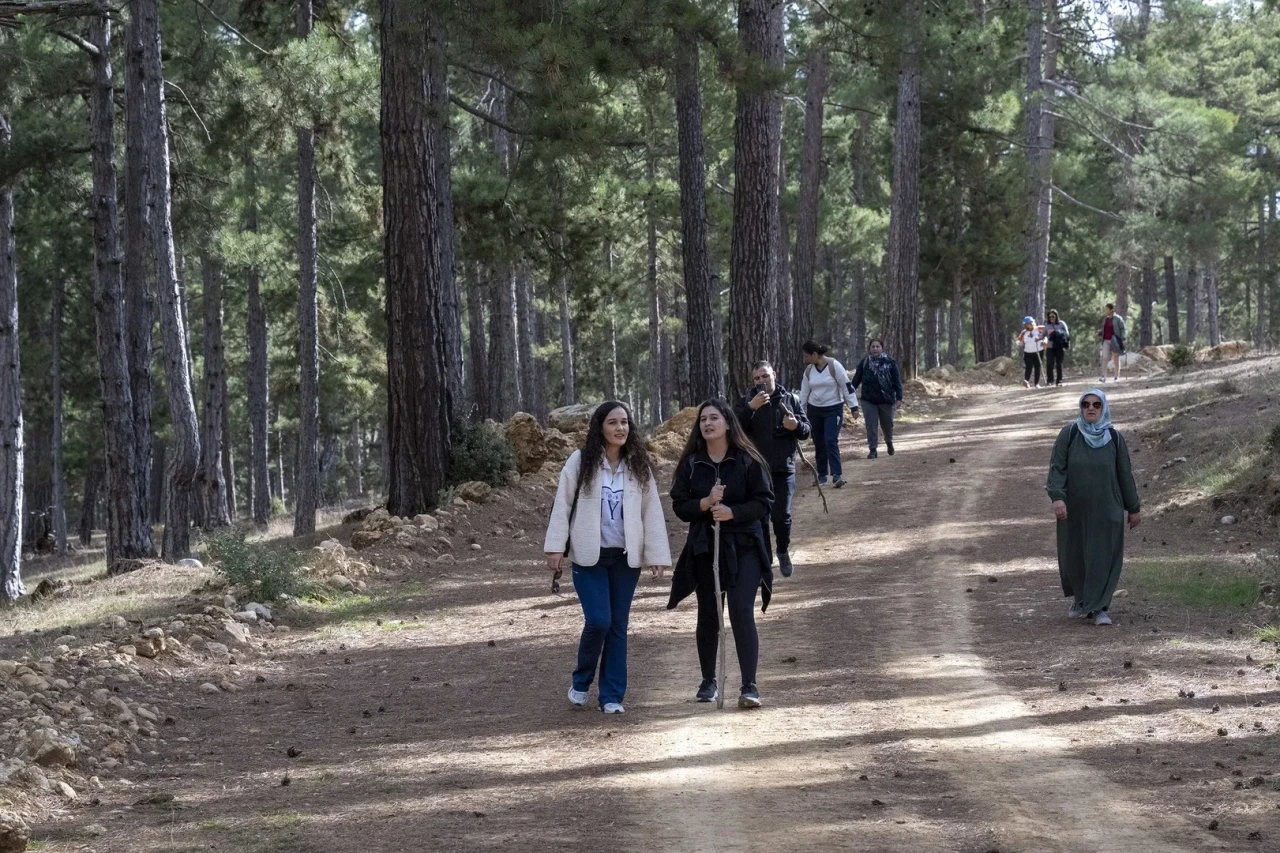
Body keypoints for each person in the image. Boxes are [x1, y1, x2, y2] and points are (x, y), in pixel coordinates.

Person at [544, 401, 671, 714]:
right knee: (599, 620)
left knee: (618, 625)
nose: (620, 428)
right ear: (600, 426)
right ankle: (582, 680)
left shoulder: (638, 464)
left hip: (624, 559)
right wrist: (555, 547)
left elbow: (651, 510)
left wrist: (656, 553)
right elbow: (562, 505)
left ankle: (612, 695)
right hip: (589, 558)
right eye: (613, 422)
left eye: (625, 422)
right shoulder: (580, 462)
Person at [668, 399, 774, 709]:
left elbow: (764, 502)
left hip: (744, 546)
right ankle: (708, 680)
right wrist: (704, 503)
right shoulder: (692, 464)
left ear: (728, 423)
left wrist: (733, 512)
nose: (707, 423)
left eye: (714, 418)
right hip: (705, 547)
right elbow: (679, 505)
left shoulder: (747, 460)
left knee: (741, 611)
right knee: (709, 614)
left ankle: (749, 685)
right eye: (703, 419)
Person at [1045, 389, 1141, 626]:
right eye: (1086, 404)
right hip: (1074, 509)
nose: (1091, 408)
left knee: (1103, 555)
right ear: (1080, 407)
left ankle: (1099, 608)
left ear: (1103, 408)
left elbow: (1124, 474)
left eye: (1096, 405)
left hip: (1108, 508)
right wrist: (1057, 497)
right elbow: (1057, 468)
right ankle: (1080, 599)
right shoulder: (1069, 434)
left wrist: (1133, 507)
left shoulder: (1115, 439)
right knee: (1075, 555)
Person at [734, 361, 810, 578]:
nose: (761, 381)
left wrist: (796, 426)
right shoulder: (745, 402)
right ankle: (765, 563)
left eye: (765, 376)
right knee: (760, 519)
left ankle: (783, 549)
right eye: (757, 378)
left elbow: (806, 431)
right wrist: (751, 408)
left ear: (774, 375)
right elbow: (733, 428)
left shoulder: (790, 400)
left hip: (783, 469)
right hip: (755, 472)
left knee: (782, 516)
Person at [798, 341, 860, 487]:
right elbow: (804, 392)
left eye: (807, 356)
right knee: (819, 442)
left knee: (830, 440)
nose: (805, 359)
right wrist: (800, 411)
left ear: (814, 354)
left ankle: (837, 475)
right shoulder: (809, 371)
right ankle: (822, 476)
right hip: (815, 410)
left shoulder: (834, 366)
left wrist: (853, 406)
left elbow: (846, 386)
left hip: (833, 409)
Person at [850, 339, 903, 459]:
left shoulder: (890, 362)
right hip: (868, 400)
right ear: (869, 349)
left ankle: (889, 442)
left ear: (882, 348)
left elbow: (897, 381)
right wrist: (849, 393)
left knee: (887, 424)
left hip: (886, 400)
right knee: (871, 425)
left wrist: (899, 397)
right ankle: (873, 449)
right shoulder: (864, 363)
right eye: (873, 346)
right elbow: (856, 380)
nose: (875, 349)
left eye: (877, 346)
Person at [1097, 303, 1126, 383]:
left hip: (1115, 340)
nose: (1105, 311)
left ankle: (1116, 376)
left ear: (1111, 310)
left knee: (1115, 358)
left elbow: (1123, 329)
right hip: (1106, 340)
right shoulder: (1105, 319)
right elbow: (1103, 330)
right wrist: (1099, 333)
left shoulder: (1118, 319)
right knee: (1104, 358)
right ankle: (1103, 376)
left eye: (1106, 309)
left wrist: (1123, 339)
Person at [1043, 309, 1070, 387]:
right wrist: (1038, 338)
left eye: (1053, 316)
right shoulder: (1047, 325)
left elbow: (1067, 334)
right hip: (1050, 347)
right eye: (1050, 316)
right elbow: (1043, 334)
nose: (1051, 318)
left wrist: (1067, 343)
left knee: (1059, 364)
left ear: (1056, 316)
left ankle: (1059, 381)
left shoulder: (1062, 324)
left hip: (1059, 347)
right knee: (1049, 363)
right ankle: (1050, 380)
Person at [1017, 316, 1046, 388]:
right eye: (1027, 324)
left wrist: (1044, 341)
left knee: (1037, 367)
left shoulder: (1040, 329)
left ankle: (1037, 383)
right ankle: (1026, 381)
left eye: (1031, 323)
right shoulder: (1024, 332)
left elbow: (1046, 334)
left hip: (1038, 351)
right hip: (1028, 352)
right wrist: (1020, 343)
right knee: (1028, 367)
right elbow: (1018, 340)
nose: (1029, 325)